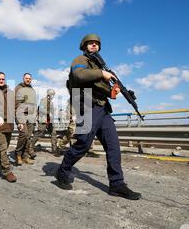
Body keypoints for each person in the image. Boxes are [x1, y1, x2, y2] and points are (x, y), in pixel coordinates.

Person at [54, 34, 141, 200]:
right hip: (86, 105)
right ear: (84, 46)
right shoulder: (80, 59)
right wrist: (102, 73)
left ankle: (117, 184)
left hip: (103, 108)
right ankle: (62, 171)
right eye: (90, 43)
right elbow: (79, 75)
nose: (94, 45)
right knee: (83, 144)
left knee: (113, 145)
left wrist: (114, 91)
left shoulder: (100, 66)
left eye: (96, 44)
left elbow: (103, 90)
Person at [14, 73, 37, 165]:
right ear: (23, 79)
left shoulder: (32, 89)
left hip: (31, 116)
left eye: (29, 78)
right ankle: (18, 154)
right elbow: (15, 103)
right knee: (23, 134)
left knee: (28, 136)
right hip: (21, 115)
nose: (28, 80)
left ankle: (25, 156)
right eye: (26, 78)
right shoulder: (18, 88)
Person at [30, 88, 58, 155]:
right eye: (52, 95)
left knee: (53, 133)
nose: (53, 96)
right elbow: (41, 110)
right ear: (49, 94)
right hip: (43, 120)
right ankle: (30, 147)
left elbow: (52, 112)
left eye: (53, 95)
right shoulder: (43, 100)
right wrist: (48, 113)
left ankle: (54, 150)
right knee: (39, 133)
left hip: (50, 121)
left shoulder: (51, 102)